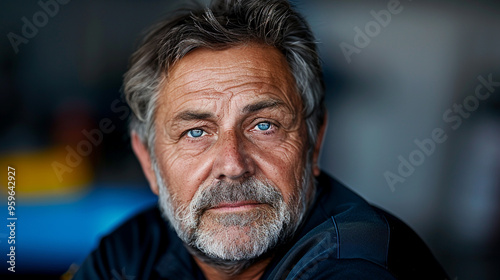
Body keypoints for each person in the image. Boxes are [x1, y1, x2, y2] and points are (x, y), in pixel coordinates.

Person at [74, 0, 449, 279]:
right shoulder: (128, 253)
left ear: (314, 143)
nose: (233, 165)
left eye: (264, 126)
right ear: (148, 161)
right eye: (196, 132)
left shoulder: (355, 265)